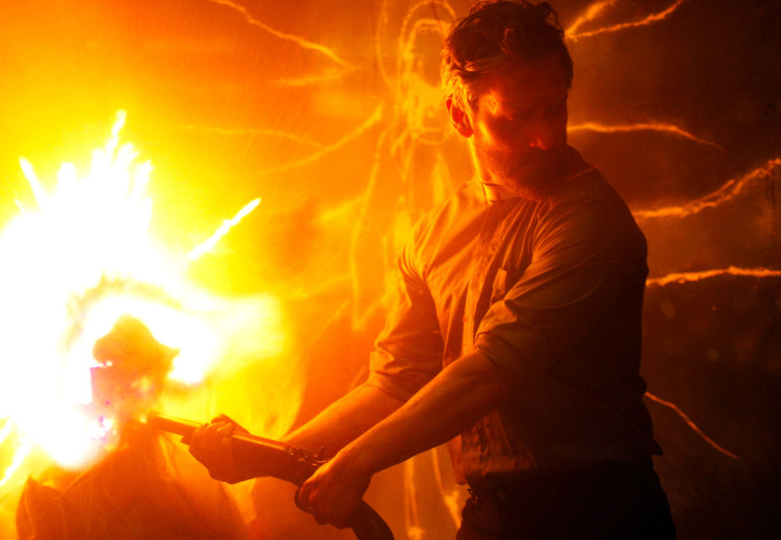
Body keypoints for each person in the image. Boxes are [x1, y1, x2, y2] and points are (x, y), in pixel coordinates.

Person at [190, 1, 675, 538]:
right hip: (494, 513)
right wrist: (268, 454)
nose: (547, 137)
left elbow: (490, 372)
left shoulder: (592, 222)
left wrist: (355, 462)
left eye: (555, 109)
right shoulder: (435, 233)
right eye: (517, 117)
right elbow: (394, 382)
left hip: (600, 514)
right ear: (460, 115)